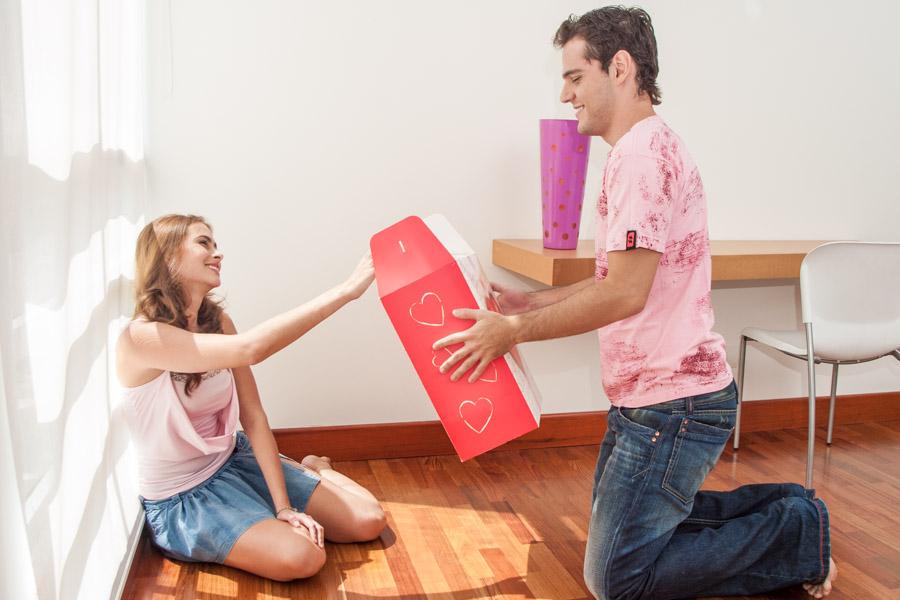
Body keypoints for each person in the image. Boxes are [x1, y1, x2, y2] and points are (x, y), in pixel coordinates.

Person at [433, 7, 836, 599]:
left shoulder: (641, 160)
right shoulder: (642, 150)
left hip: (674, 404)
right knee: (635, 539)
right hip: (660, 399)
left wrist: (510, 333)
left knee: (617, 581)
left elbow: (623, 294)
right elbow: (613, 278)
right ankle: (792, 507)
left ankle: (795, 530)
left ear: (619, 68)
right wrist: (526, 301)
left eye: (574, 76)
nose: (565, 93)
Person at [117, 214, 386, 581]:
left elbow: (254, 416)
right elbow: (252, 349)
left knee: (369, 520)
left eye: (214, 243)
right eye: (203, 243)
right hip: (185, 499)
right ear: (167, 257)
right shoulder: (141, 338)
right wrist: (346, 291)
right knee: (302, 557)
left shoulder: (219, 322)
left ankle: (317, 468)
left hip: (233, 460)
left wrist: (283, 507)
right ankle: (300, 484)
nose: (217, 253)